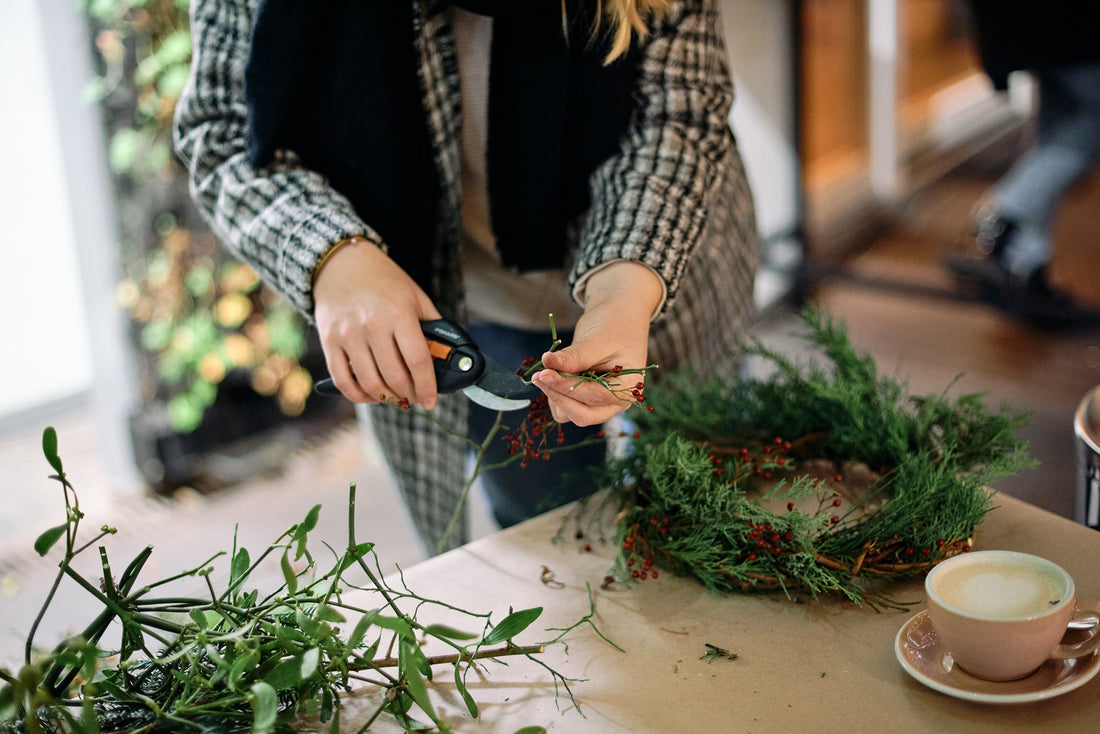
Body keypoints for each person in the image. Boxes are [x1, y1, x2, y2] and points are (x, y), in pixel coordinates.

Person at [174, 0, 758, 554]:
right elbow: (221, 131)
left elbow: (680, 110)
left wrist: (625, 292)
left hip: (665, 269)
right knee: (553, 546)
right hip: (472, 305)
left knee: (710, 507)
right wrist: (334, 257)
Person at [944, 2, 1100, 325]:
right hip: (1071, 29)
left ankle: (1026, 264)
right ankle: (1002, 216)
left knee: (1056, 133)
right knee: (1086, 125)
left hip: (1037, 28)